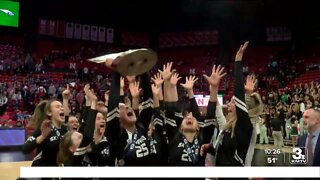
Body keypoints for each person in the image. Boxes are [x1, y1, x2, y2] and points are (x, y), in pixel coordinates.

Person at [200, 41, 253, 170]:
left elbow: (239, 95)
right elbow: (225, 151)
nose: (228, 104)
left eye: (233, 102)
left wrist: (238, 62)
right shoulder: (226, 129)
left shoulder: (244, 126)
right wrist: (211, 147)